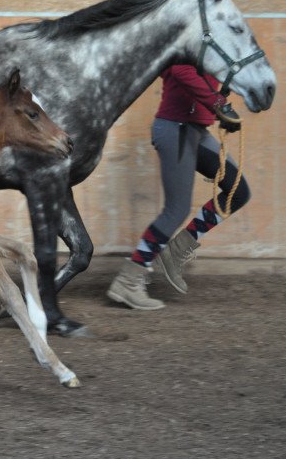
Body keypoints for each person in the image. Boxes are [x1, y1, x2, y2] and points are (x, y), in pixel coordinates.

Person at [106, 60, 249, 310]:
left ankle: (176, 251)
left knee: (238, 190)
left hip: (197, 131)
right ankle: (128, 280)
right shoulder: (190, 35)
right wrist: (219, 105)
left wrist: (221, 110)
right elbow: (181, 71)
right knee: (177, 208)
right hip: (176, 128)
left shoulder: (209, 38)